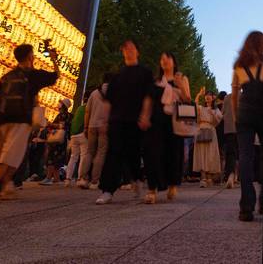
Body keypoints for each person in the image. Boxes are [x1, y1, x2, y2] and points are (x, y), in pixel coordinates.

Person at [0, 43, 59, 203]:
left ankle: (6, 187)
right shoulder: (33, 75)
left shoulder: (7, 76)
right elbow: (55, 76)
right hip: (20, 120)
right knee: (10, 156)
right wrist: (53, 59)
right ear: (30, 56)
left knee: (4, 155)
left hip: (0, 120)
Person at [231, 31, 263, 222]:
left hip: (245, 112)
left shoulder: (239, 64)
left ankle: (246, 207)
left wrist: (237, 117)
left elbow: (235, 93)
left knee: (245, 156)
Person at [96, 39, 154, 205]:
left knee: (133, 153)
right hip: (116, 120)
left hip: (135, 121)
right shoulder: (117, 76)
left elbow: (149, 96)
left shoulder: (145, 72)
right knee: (113, 153)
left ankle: (137, 178)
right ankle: (107, 190)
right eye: (125, 48)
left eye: (131, 47)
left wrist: (145, 115)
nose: (128, 50)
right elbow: (108, 101)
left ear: (137, 51)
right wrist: (104, 120)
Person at [142, 51, 191, 204]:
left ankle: (172, 183)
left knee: (173, 153)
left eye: (167, 58)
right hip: (156, 120)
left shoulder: (181, 78)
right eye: (161, 58)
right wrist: (144, 115)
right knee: (152, 152)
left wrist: (180, 86)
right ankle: (152, 189)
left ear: (173, 61)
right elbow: (148, 100)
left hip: (174, 121)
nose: (164, 61)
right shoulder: (156, 81)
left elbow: (187, 99)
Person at [79, 74, 112, 189]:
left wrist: (86, 127)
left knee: (89, 152)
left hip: (92, 126)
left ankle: (82, 179)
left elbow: (87, 111)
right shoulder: (113, 93)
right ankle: (94, 181)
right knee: (101, 152)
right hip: (105, 126)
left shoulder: (94, 93)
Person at [193, 88, 222, 187]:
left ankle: (209, 177)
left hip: (211, 130)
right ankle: (203, 177)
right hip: (201, 130)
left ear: (213, 97)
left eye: (209, 95)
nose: (207, 97)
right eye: (206, 95)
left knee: (210, 154)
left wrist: (212, 112)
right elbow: (195, 106)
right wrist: (198, 94)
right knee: (201, 154)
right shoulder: (201, 108)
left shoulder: (215, 109)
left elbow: (218, 120)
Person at [65, 101, 88, 187]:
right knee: (83, 157)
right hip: (82, 134)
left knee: (73, 157)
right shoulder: (88, 108)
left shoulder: (79, 108)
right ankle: (79, 178)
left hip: (73, 135)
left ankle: (68, 179)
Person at [221, 87, 238, 188]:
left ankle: (230, 175)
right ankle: (237, 176)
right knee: (241, 153)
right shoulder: (245, 96)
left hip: (229, 129)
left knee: (230, 153)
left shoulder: (227, 97)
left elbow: (222, 112)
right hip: (241, 128)